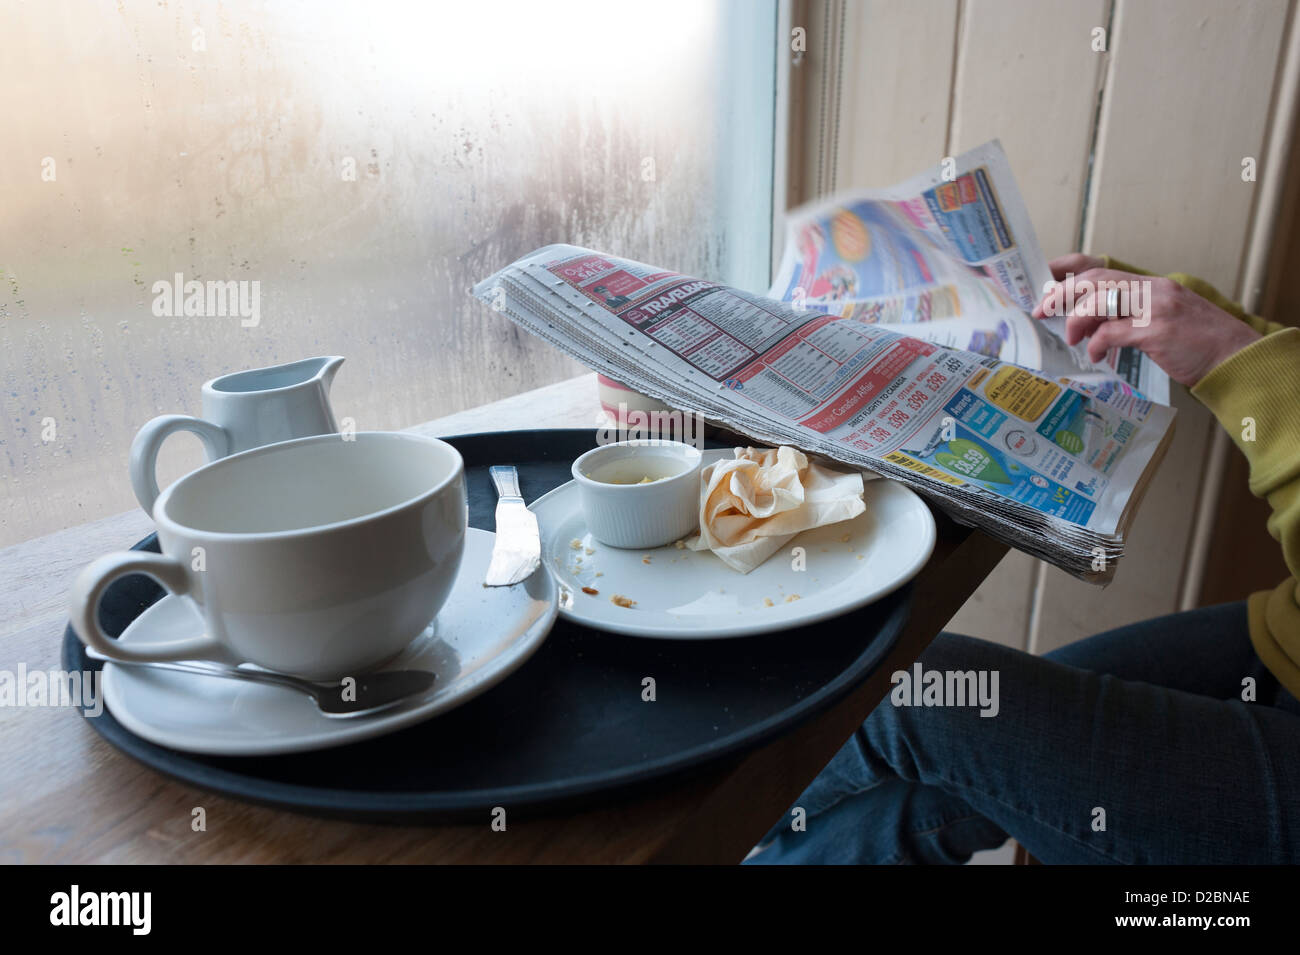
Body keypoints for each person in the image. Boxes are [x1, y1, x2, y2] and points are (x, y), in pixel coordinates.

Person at [745, 254, 1300, 864]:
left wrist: (1231, 356)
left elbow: (1250, 364)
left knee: (908, 694)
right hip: (1286, 641)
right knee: (914, 793)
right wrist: (1166, 306)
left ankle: (707, 834)